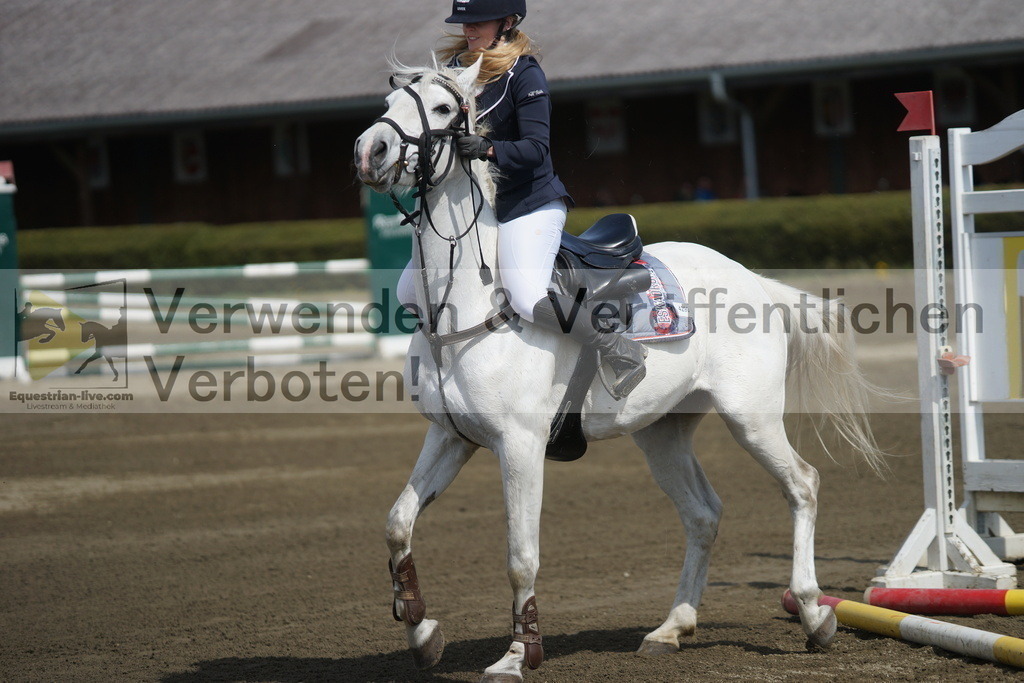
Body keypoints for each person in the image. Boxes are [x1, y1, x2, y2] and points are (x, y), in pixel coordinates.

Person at [398, 0, 646, 398]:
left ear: (507, 22)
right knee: (407, 292)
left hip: (529, 203)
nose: (469, 29)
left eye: (478, 21)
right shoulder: (457, 75)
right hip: (481, 210)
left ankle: (619, 348)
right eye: (465, 22)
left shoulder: (525, 73)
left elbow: (536, 149)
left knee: (527, 297)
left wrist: (487, 149)